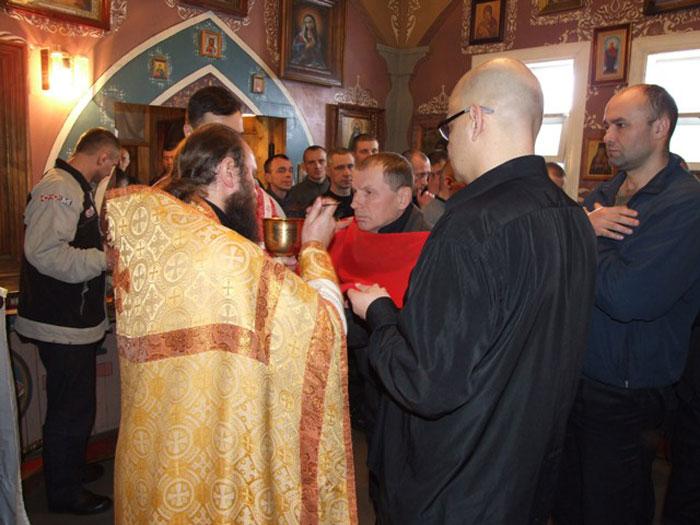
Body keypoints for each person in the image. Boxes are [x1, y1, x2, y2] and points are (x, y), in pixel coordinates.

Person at [346, 57, 597, 524]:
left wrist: (378, 311)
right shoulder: (573, 217)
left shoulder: (470, 225)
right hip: (523, 476)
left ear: (476, 118)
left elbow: (425, 382)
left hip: (454, 484)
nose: (449, 143)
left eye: (449, 127)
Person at [105, 123, 356, 524]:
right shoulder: (224, 253)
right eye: (251, 176)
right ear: (227, 171)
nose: (255, 191)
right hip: (209, 448)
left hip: (153, 446)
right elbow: (324, 327)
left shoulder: (161, 235)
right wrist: (314, 248)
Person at [553, 84, 700, 525]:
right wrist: (587, 230)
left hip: (627, 391)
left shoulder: (685, 203)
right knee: (568, 502)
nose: (607, 136)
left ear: (660, 128)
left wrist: (582, 233)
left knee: (612, 508)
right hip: (578, 375)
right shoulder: (606, 192)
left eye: (621, 125)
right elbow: (561, 272)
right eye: (606, 125)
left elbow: (627, 296)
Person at [15, 128, 120, 515]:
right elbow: (44, 252)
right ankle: (64, 492)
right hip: (60, 323)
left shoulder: (75, 187)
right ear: (103, 158)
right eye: (112, 164)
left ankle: (70, 468)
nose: (110, 172)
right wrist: (103, 260)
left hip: (72, 322)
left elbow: (74, 243)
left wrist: (101, 258)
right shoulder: (59, 187)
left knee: (77, 404)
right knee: (70, 409)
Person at [285, 145, 330, 217]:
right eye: (311, 162)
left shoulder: (338, 189)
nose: (317, 166)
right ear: (304, 166)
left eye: (321, 161)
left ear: (328, 163)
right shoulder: (294, 193)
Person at [325, 148, 355, 219]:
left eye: (350, 167)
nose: (347, 173)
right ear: (328, 171)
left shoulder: (363, 203)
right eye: (340, 168)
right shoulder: (320, 206)